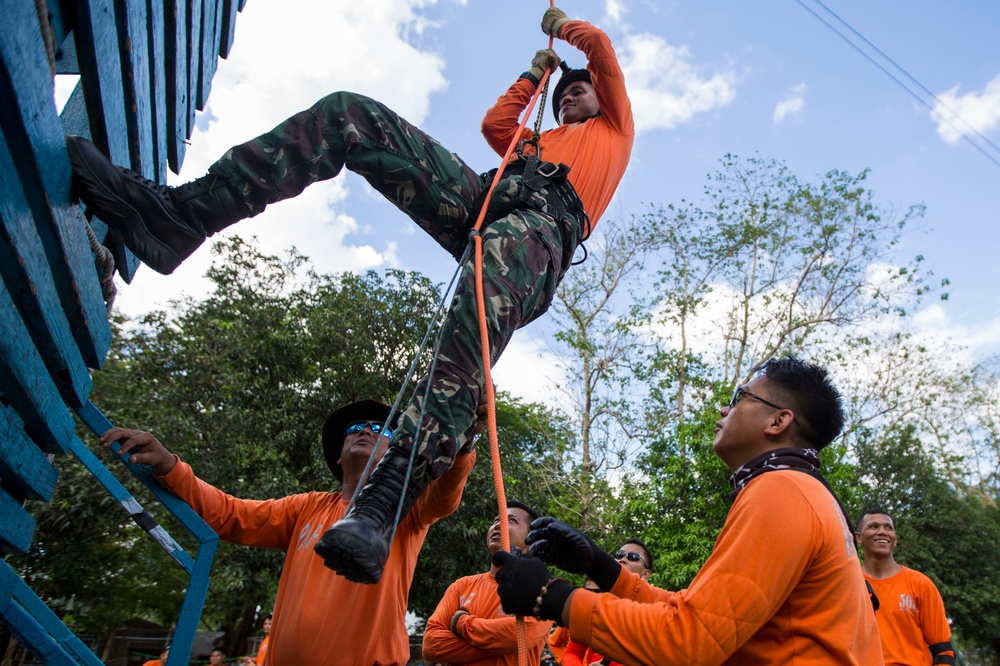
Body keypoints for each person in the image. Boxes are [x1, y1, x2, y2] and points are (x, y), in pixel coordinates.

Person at [68, 6, 633, 585]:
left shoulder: (612, 132)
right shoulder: (537, 140)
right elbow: (497, 126)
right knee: (350, 116)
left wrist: (562, 29)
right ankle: (181, 216)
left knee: (467, 332)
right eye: (563, 95)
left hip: (540, 231)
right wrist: (534, 78)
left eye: (578, 91)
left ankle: (382, 505)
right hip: (486, 201)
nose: (569, 98)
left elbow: (602, 51)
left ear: (602, 99)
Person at [492, 357, 883, 665]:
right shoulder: (805, 491)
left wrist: (552, 597)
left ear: (778, 421)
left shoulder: (781, 490)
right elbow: (703, 616)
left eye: (737, 399)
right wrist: (603, 569)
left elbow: (691, 641)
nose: (723, 409)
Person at [101, 398, 479, 666]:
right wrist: (169, 465)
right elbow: (229, 515)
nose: (365, 429)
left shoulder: (405, 510)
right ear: (337, 455)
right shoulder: (306, 507)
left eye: (379, 429)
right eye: (355, 428)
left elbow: (445, 497)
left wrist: (463, 443)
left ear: (397, 451)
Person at [422, 500, 552, 665]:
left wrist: (461, 622)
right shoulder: (461, 586)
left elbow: (520, 636)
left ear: (530, 539)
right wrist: (499, 646)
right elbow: (431, 645)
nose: (498, 525)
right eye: (496, 520)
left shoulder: (541, 588)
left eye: (511, 521)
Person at [856, 509, 955, 666]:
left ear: (895, 539)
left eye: (888, 528)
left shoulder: (921, 584)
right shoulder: (849, 584)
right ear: (859, 537)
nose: (882, 532)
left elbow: (943, 651)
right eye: (873, 526)